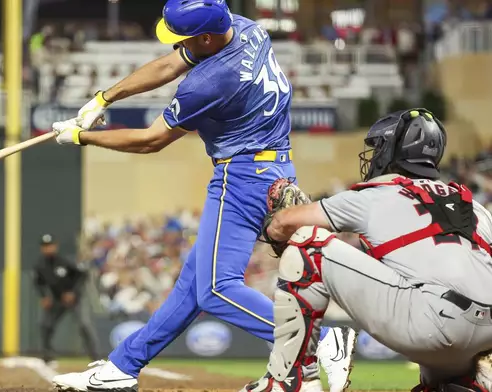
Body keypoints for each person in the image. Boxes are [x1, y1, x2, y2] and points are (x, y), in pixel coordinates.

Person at [51, 0, 355, 391]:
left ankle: (322, 340)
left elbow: (150, 141)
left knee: (215, 289)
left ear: (207, 37)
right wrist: (102, 100)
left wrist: (80, 136)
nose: (178, 44)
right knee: (193, 287)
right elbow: (168, 64)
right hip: (270, 165)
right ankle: (123, 366)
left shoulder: (213, 80)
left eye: (186, 37)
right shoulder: (245, 28)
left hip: (242, 174)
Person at [254, 108, 492, 392]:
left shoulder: (377, 194)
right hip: (484, 334)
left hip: (433, 327)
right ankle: (466, 382)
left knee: (309, 245)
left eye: (379, 147)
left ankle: (289, 381)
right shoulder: (473, 205)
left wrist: (273, 226)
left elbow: (283, 223)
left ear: (392, 151)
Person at [33, 234, 99, 363]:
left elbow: (81, 276)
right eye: (45, 246)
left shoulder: (64, 261)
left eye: (50, 245)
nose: (48, 248)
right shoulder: (40, 265)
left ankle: (95, 357)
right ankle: (48, 357)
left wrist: (72, 292)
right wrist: (44, 296)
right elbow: (38, 283)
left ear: (55, 246)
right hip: (58, 299)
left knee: (84, 325)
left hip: (75, 300)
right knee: (45, 325)